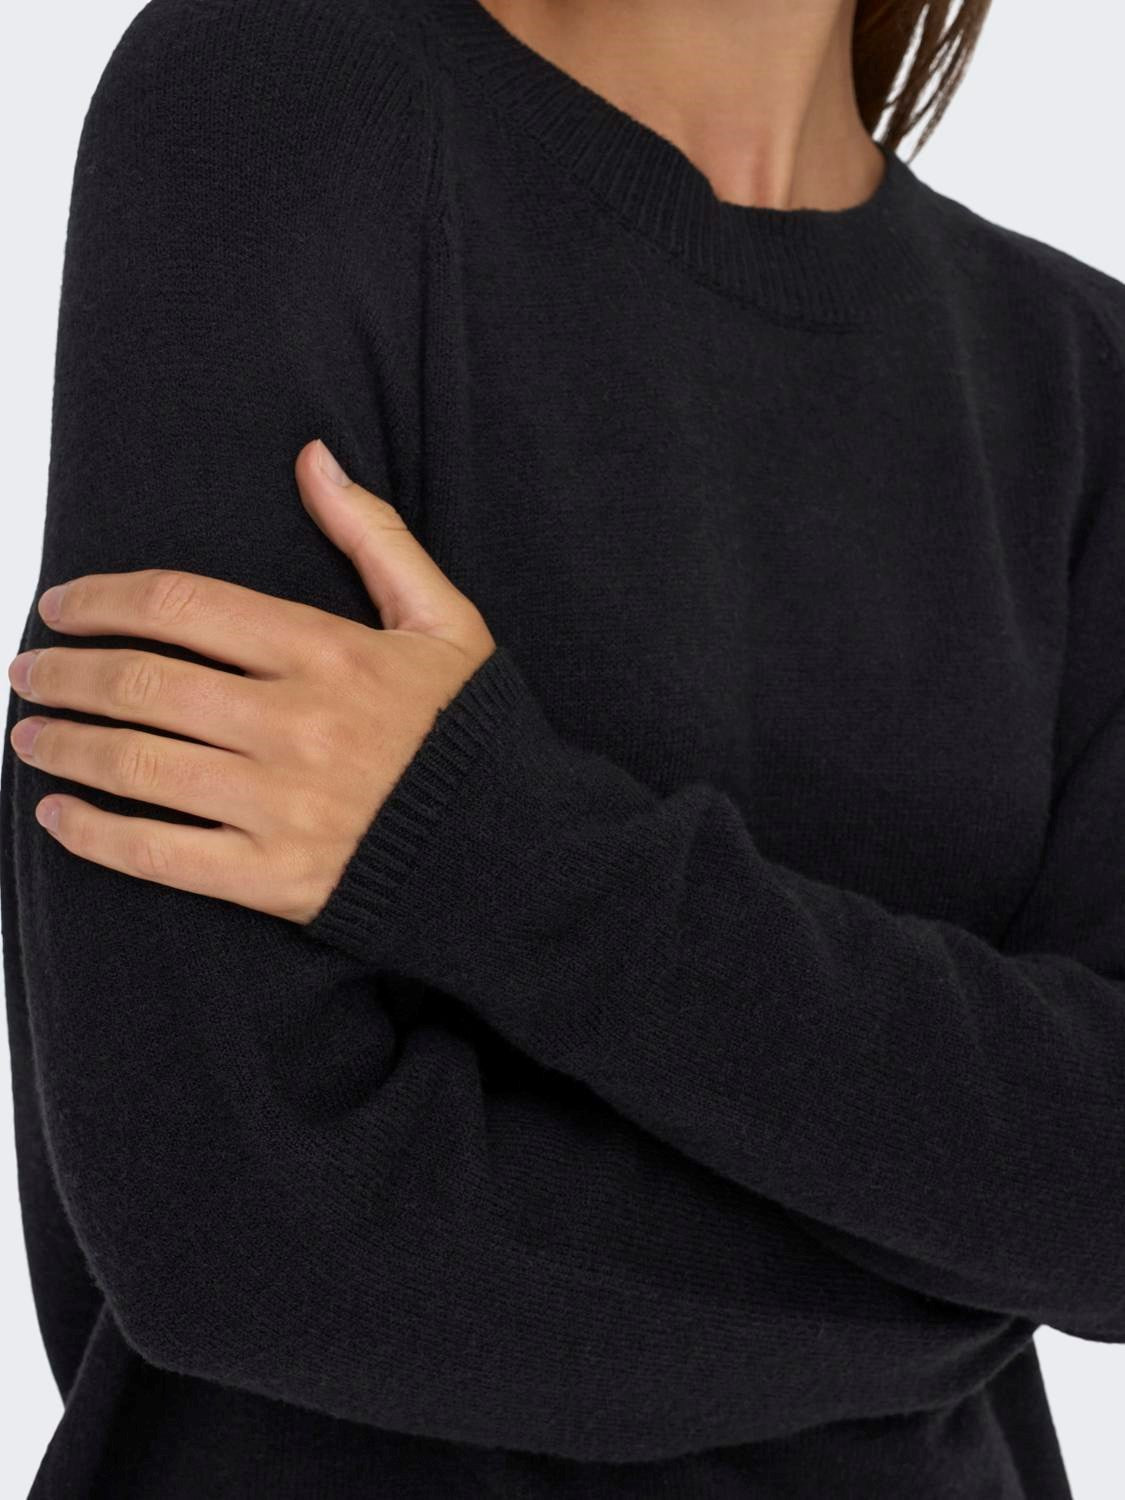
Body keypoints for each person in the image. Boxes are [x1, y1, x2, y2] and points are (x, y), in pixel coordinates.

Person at [3, 0, 1123, 1495]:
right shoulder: (281, 105)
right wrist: (970, 1263)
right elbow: (237, 1230)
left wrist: (483, 846)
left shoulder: (1079, 375)